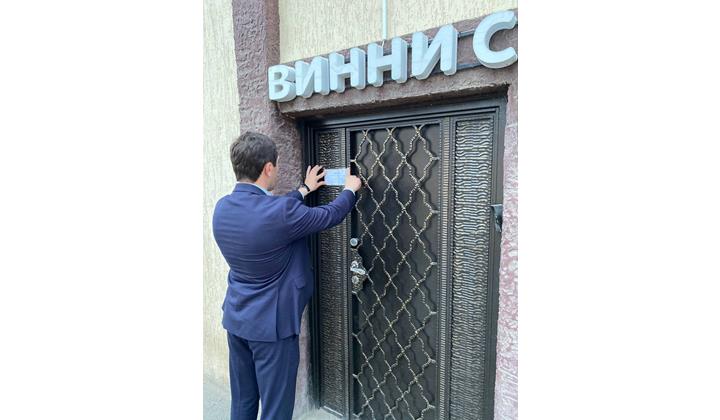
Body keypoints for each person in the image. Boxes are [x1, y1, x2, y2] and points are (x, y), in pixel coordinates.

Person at [212, 131, 362, 420]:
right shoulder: (279, 212)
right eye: (277, 165)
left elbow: (274, 213)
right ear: (268, 168)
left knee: (243, 401)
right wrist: (349, 190)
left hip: (237, 320)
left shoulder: (222, 208)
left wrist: (304, 189)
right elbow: (329, 215)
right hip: (272, 328)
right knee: (276, 409)